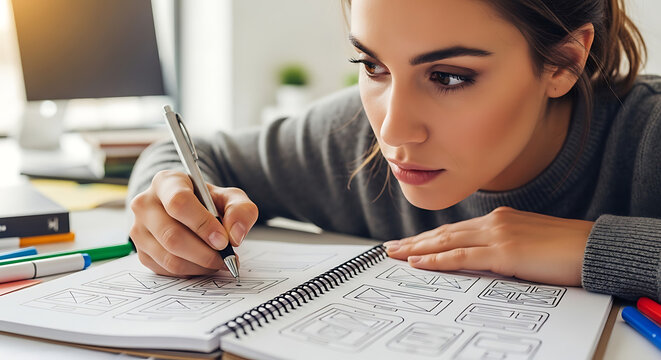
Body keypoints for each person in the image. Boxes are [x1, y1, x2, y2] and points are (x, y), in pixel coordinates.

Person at [128, 0, 661, 302]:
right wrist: (172, 204)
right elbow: (191, 155)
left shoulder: (648, 134)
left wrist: (593, 248)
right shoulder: (348, 137)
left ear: (563, 62)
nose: (394, 130)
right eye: (373, 67)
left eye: (449, 76)